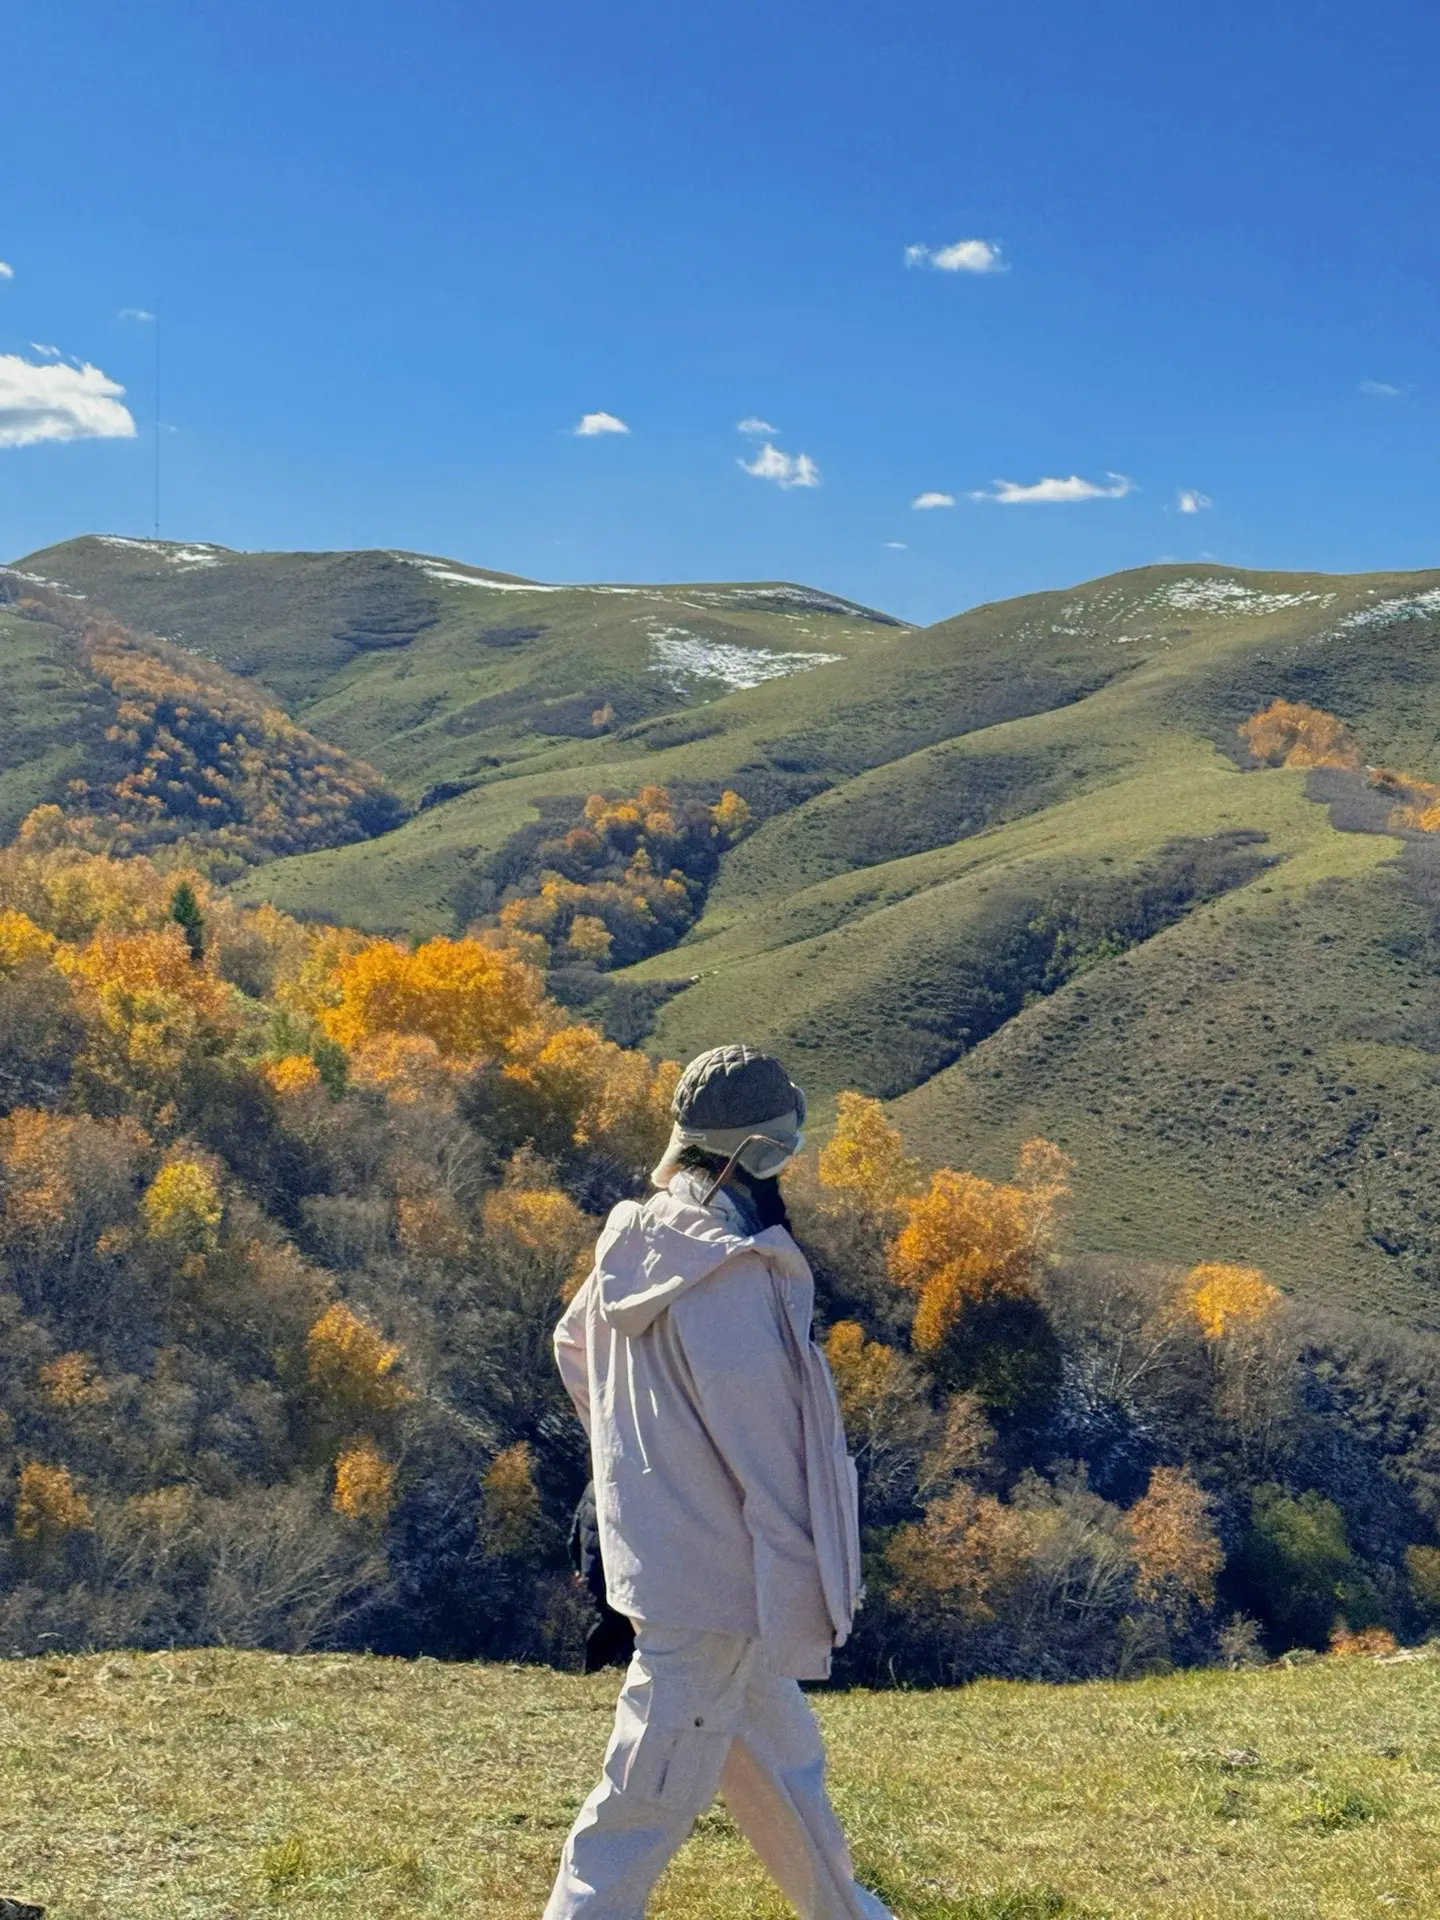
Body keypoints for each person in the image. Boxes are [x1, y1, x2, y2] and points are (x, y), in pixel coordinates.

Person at [545, 1045, 891, 1920]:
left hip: (671, 1564)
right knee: (640, 1804)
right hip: (719, 1582)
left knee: (782, 1772)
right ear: (760, 1157)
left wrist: (641, 1473)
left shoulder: (631, 1236)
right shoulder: (732, 1276)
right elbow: (775, 1456)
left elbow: (575, 1349)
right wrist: (808, 1582)